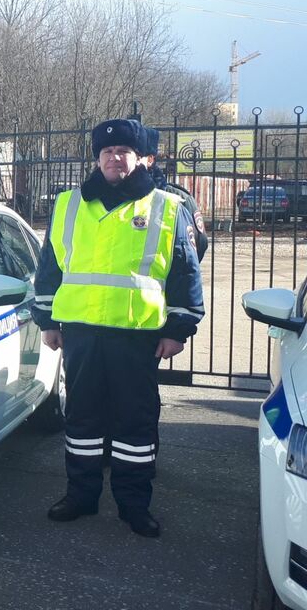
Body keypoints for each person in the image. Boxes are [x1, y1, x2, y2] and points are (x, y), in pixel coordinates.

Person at [34, 118, 205, 539]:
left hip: (137, 335)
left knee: (135, 424)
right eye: (107, 152)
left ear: (139, 158)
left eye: (124, 151)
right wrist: (48, 321)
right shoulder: (68, 203)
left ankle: (134, 505)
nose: (115, 157)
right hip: (80, 333)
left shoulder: (166, 207)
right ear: (97, 158)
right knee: (82, 421)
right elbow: (50, 267)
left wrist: (177, 330)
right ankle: (81, 496)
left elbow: (185, 272)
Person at [141, 126, 209, 261]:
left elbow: (197, 246)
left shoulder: (179, 199)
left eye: (135, 154)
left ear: (150, 159)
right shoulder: (98, 199)